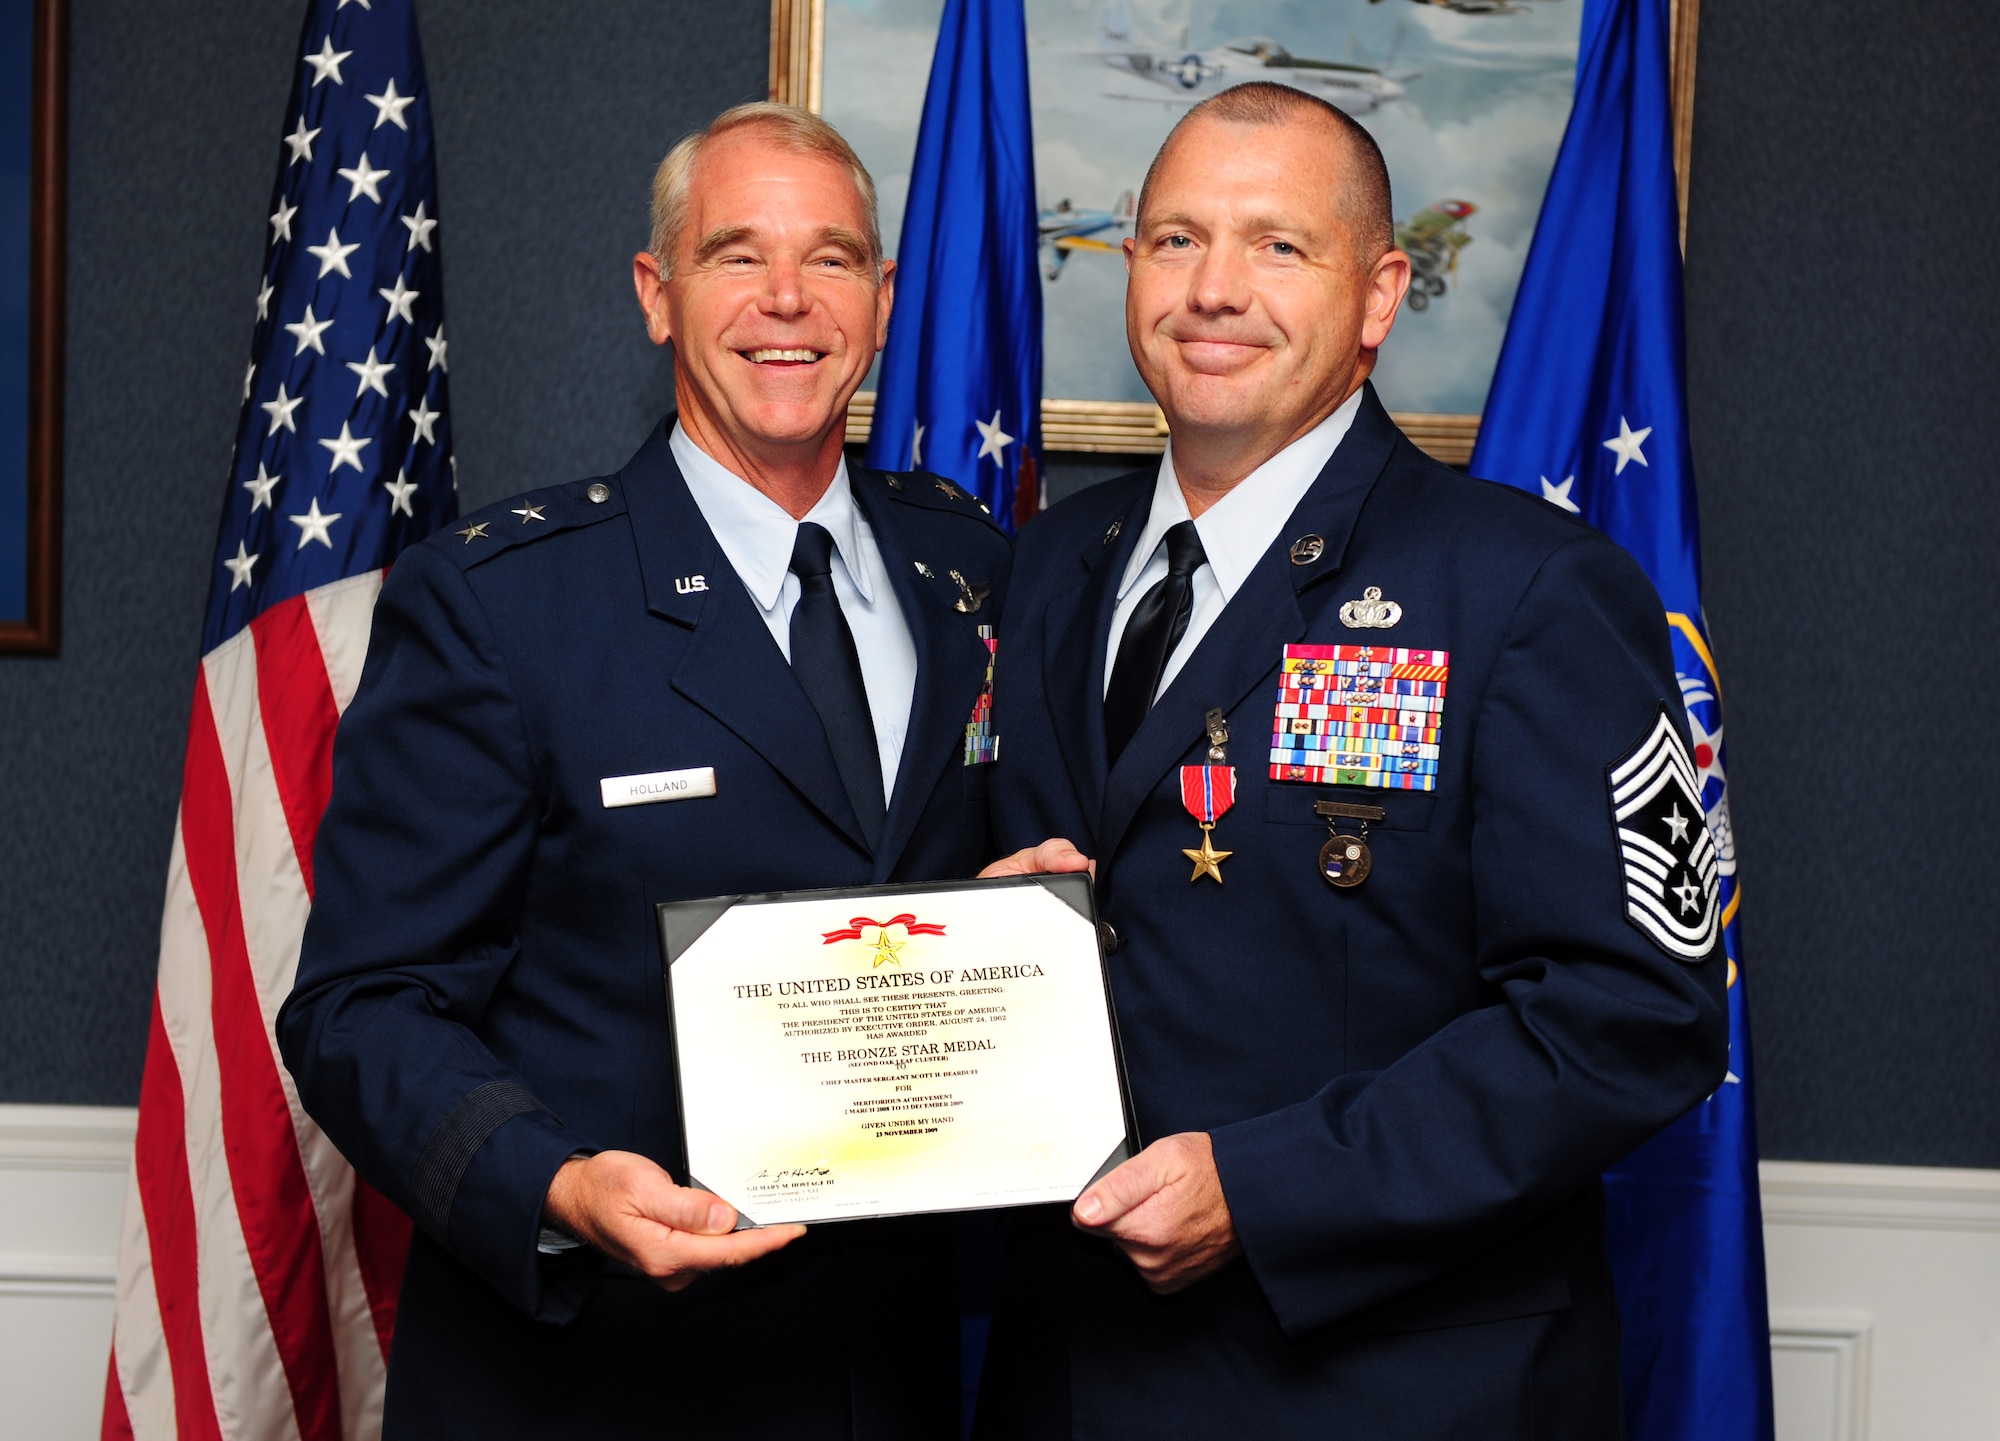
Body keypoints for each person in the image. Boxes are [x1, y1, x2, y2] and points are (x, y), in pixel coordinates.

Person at [977, 83, 1729, 1438]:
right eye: (1175, 240)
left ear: (1380, 294)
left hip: (1394, 1387)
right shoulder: (1041, 573)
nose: (1215, 290)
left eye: (1278, 246)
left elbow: (1632, 1017)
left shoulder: (1530, 588)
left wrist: (1266, 1190)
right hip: (1072, 1378)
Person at [279, 102, 1008, 1440]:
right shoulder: (504, 602)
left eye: (833, 256)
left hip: (896, 1374)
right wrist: (554, 1183)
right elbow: (360, 1007)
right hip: (595, 1376)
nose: (786, 299)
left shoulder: (970, 573)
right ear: (656, 294)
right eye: (736, 254)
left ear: (885, 298)